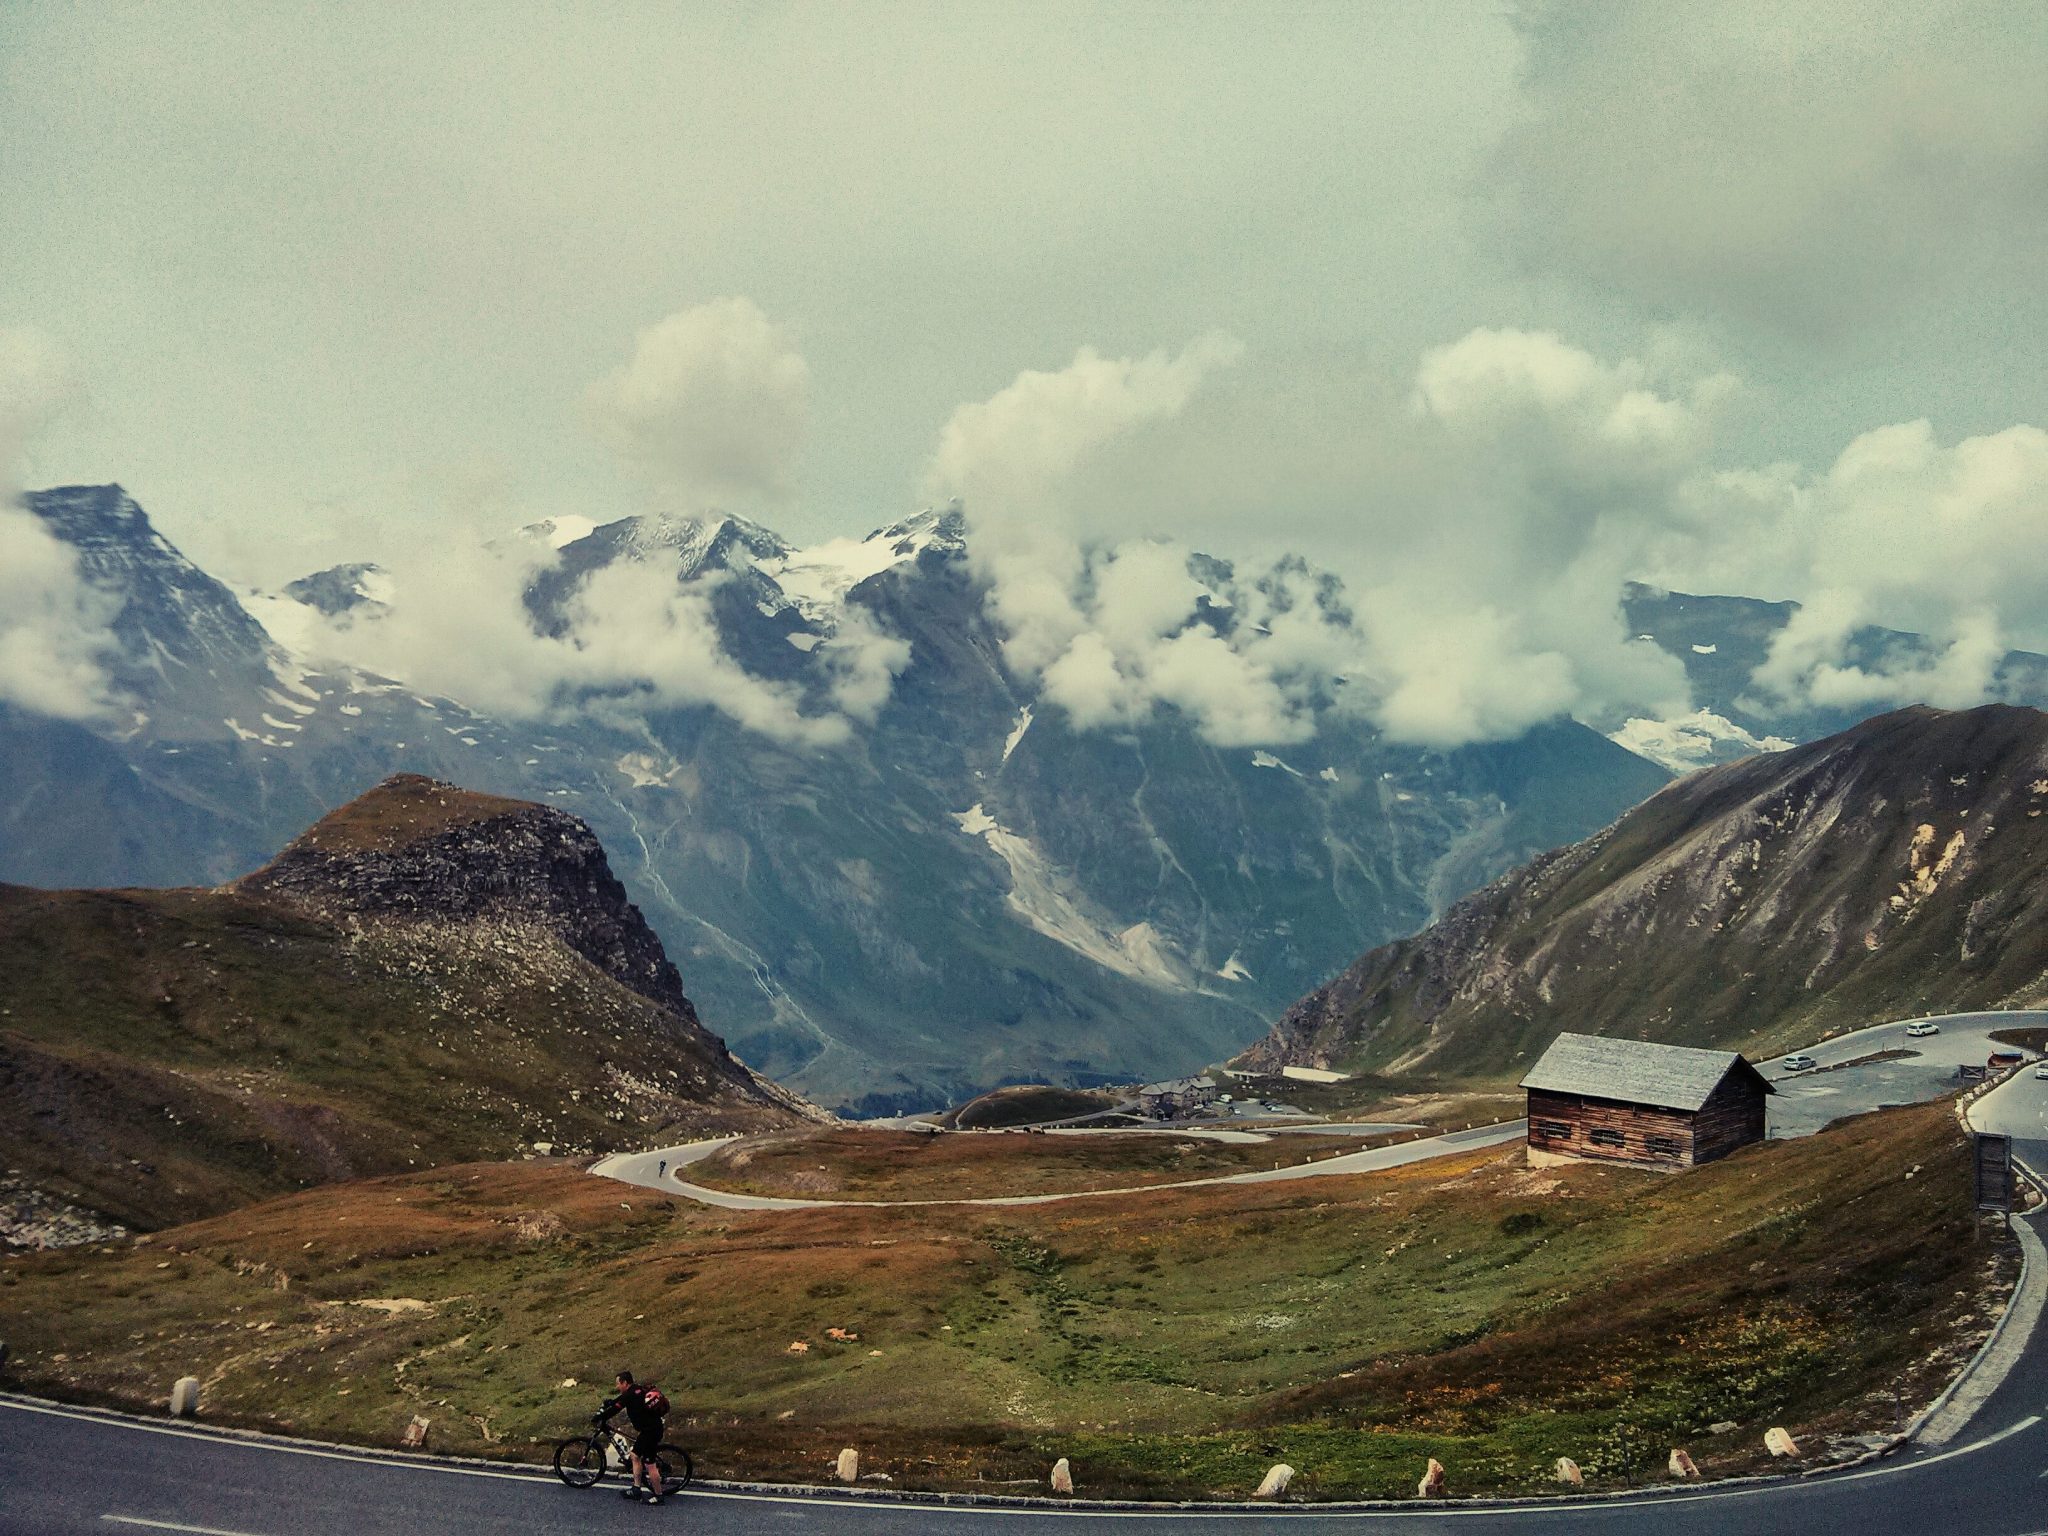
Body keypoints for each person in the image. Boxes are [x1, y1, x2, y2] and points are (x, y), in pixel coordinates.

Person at [597, 1370, 668, 1504]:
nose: (617, 1387)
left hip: (650, 1432)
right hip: (650, 1429)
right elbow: (619, 1401)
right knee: (635, 1456)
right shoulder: (636, 1389)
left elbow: (616, 1408)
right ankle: (636, 1489)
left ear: (624, 1382)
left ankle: (659, 1496)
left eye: (618, 1384)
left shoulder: (629, 1395)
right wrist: (610, 1402)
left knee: (649, 1464)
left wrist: (600, 1417)